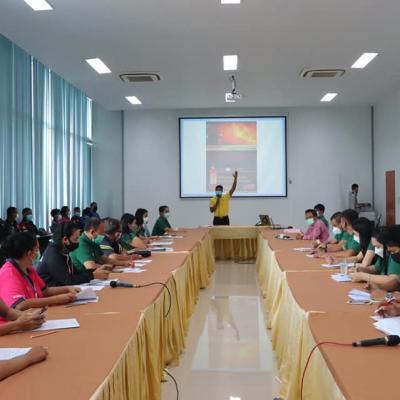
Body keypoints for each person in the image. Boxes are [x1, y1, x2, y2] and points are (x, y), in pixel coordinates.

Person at [0, 232, 78, 319]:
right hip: (18, 321)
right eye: (37, 249)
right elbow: (19, 305)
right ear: (30, 253)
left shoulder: (28, 268)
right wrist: (57, 299)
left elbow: (45, 291)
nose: (39, 252)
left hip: (35, 315)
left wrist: (67, 289)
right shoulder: (8, 274)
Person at [38, 222, 110, 286]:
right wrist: (92, 276)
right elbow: (68, 280)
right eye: (76, 239)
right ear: (65, 240)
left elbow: (76, 273)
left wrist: (94, 271)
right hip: (52, 292)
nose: (78, 242)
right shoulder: (53, 254)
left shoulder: (63, 250)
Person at [350, 225, 400, 290]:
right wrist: (362, 270)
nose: (376, 250)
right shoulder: (388, 253)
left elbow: (394, 281)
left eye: (378, 247)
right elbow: (376, 268)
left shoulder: (395, 255)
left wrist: (363, 276)